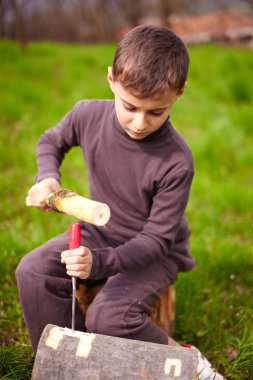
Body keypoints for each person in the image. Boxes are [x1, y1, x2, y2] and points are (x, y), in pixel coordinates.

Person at [16, 25, 225, 379]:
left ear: (180, 93)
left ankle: (188, 361)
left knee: (108, 316)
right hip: (103, 231)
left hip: (154, 251)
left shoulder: (177, 160)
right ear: (111, 79)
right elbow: (51, 141)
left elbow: (157, 240)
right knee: (32, 271)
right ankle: (66, 359)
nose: (140, 123)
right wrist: (48, 177)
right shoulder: (87, 115)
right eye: (130, 106)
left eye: (156, 112)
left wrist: (99, 264)